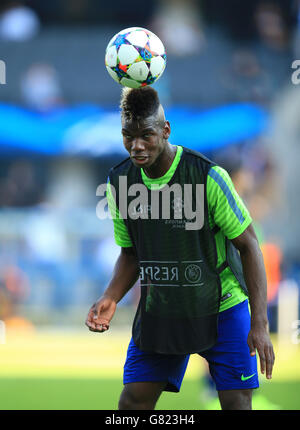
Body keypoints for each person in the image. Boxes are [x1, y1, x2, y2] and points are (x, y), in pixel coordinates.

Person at [85, 86, 275, 410]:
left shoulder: (208, 177)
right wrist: (111, 295)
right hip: (163, 308)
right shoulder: (119, 182)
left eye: (146, 135)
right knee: (132, 403)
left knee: (236, 404)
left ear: (166, 129)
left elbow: (249, 246)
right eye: (128, 136)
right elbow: (131, 253)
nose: (137, 146)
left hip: (222, 308)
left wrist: (259, 322)